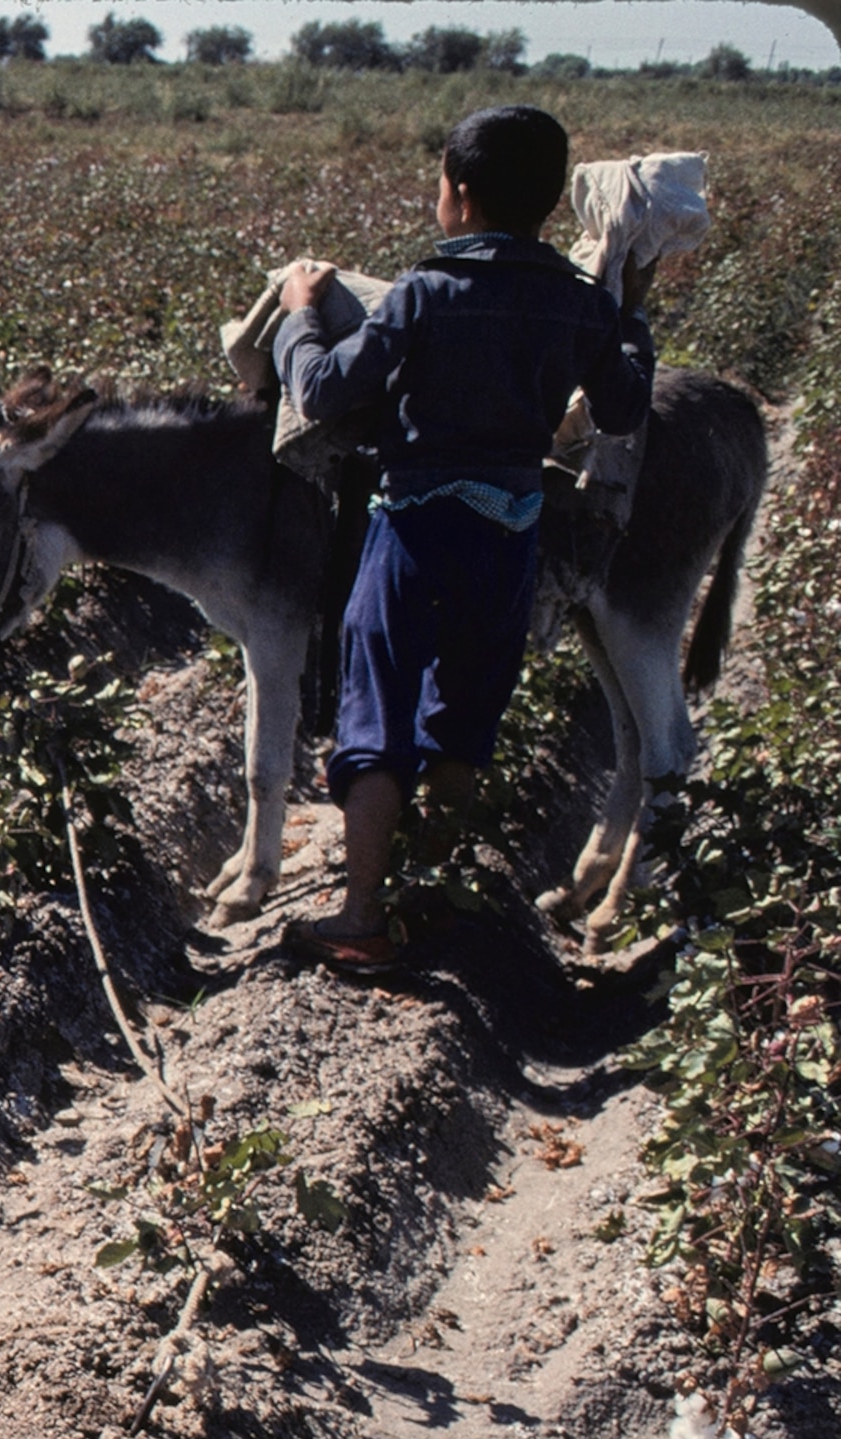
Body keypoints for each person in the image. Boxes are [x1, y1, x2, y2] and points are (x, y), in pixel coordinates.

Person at [272, 105, 653, 972]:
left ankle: (362, 912)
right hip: (511, 533)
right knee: (464, 719)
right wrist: (631, 316)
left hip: (415, 528)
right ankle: (428, 903)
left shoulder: (426, 293)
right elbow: (625, 408)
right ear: (551, 206)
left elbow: (327, 392)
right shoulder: (579, 305)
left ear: (462, 196)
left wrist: (297, 312)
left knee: (377, 711)